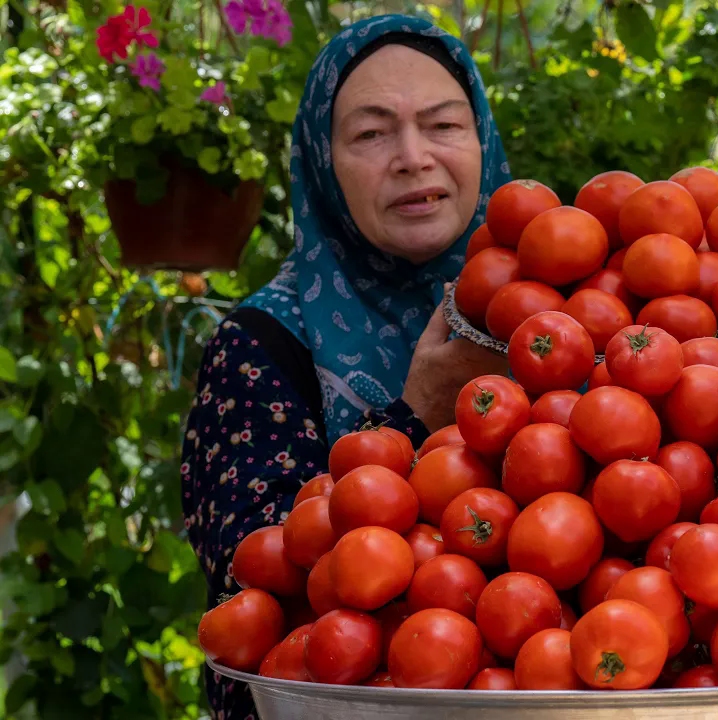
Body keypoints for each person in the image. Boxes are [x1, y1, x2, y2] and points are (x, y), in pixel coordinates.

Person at [180, 15, 510, 717]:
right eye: (370, 133)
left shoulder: (553, 309)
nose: (413, 156)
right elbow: (254, 585)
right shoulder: (261, 345)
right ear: (322, 162)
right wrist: (415, 413)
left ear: (482, 140)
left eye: (444, 125)